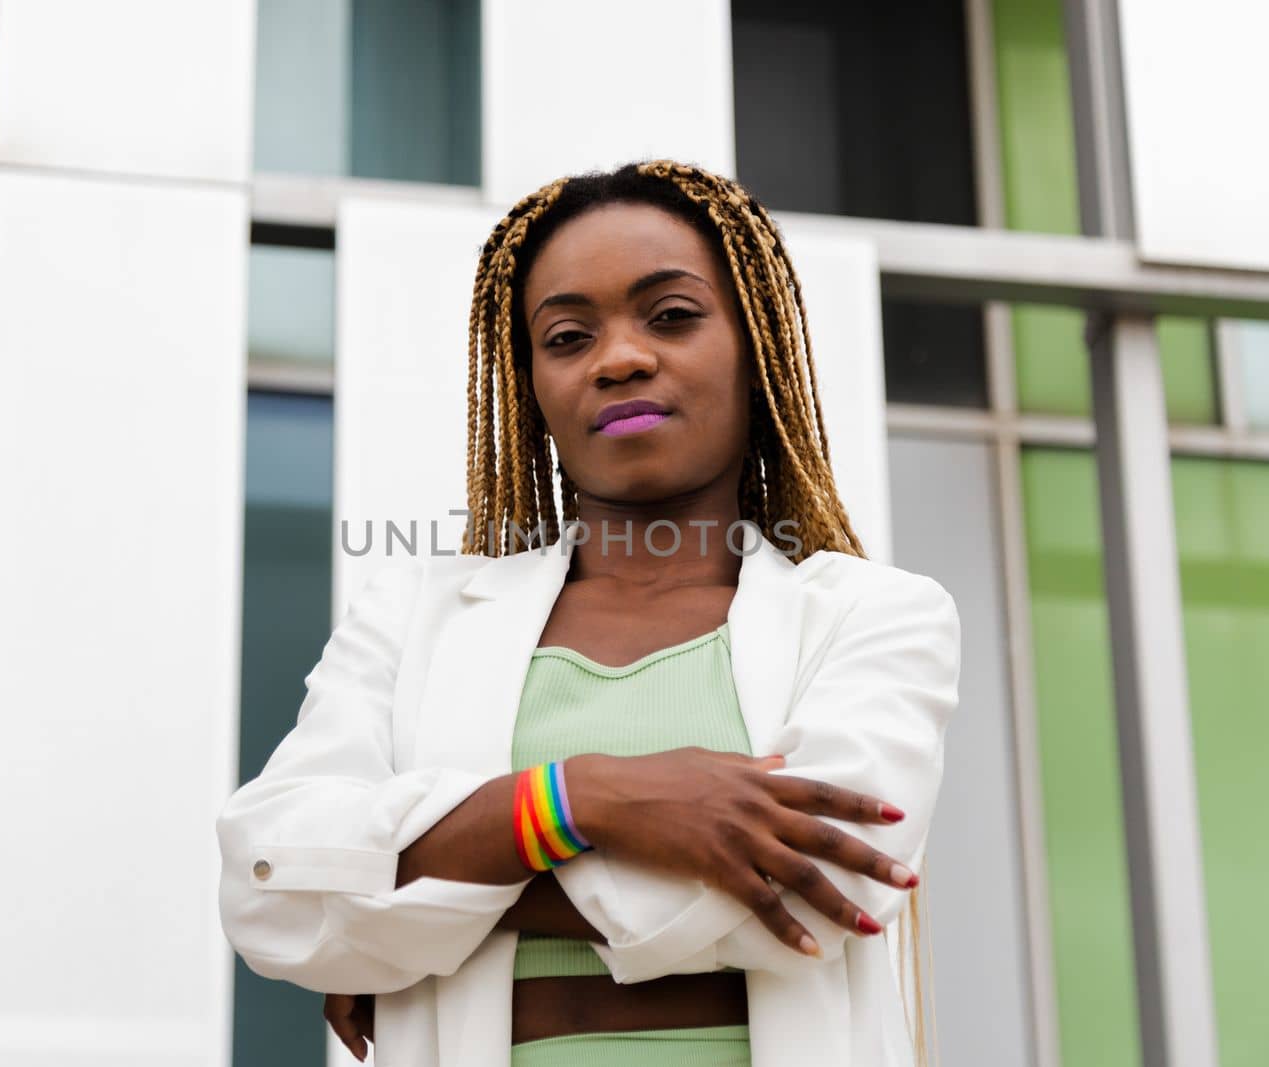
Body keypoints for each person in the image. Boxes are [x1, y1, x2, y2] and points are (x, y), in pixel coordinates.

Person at [215, 160, 962, 1067]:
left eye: (673, 316)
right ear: (530, 380)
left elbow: (814, 888)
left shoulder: (875, 615)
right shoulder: (417, 616)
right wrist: (587, 799)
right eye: (567, 336)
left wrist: (401, 895)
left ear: (756, 346)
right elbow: (270, 880)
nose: (619, 358)